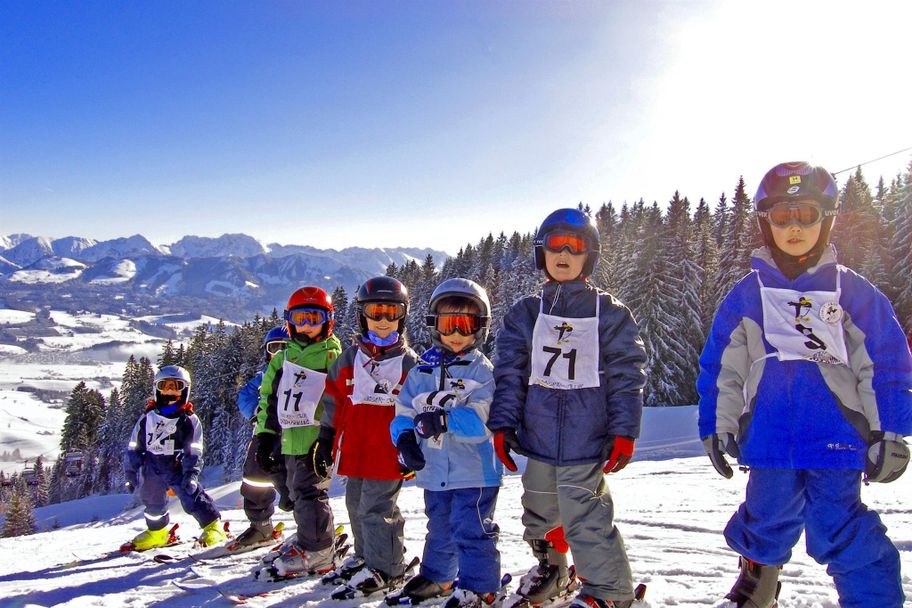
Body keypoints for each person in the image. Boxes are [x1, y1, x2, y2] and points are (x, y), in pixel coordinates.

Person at [697, 161, 912, 608]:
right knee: (764, 518)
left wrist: (889, 430)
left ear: (826, 219)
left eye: (806, 214)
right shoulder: (747, 295)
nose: (794, 227)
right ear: (765, 223)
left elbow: (886, 362)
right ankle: (757, 591)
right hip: (769, 439)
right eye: (781, 216)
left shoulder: (851, 292)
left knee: (840, 527)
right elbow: (724, 368)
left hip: (835, 439)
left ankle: (874, 600)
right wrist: (716, 425)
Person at [487, 208, 648, 608]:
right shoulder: (525, 313)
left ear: (588, 256)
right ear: (541, 254)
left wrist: (623, 431)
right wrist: (503, 425)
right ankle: (554, 570)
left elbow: (628, 374)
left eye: (574, 247)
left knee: (587, 518)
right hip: (538, 437)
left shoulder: (608, 313)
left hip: (586, 439)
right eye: (553, 245)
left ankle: (611, 594)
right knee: (539, 510)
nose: (562, 253)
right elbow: (510, 373)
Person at [389, 278, 503, 608]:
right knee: (439, 526)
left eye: (465, 324)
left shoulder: (482, 372)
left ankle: (480, 587)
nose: (455, 333)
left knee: (471, 530)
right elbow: (404, 412)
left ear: (479, 328)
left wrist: (442, 420)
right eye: (447, 323)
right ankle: (439, 576)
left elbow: (482, 421)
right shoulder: (421, 371)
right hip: (435, 470)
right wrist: (405, 438)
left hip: (474, 472)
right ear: (433, 325)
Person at [313, 276, 419, 597]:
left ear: (402, 316)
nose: (384, 320)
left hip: (387, 454)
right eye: (376, 312)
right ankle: (365, 557)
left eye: (392, 312)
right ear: (362, 315)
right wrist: (326, 439)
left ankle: (387, 568)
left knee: (377, 510)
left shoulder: (408, 363)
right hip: (357, 449)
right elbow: (333, 401)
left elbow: (416, 408)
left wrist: (412, 448)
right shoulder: (350, 359)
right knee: (356, 503)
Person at [254, 287, 343, 576]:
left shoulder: (332, 356)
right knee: (294, 491)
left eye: (313, 318)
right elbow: (268, 397)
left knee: (309, 492)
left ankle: (318, 550)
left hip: (317, 441)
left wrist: (331, 439)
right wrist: (265, 435)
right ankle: (309, 537)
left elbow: (339, 399)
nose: (305, 325)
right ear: (289, 321)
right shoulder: (283, 358)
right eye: (299, 318)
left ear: (327, 320)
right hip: (289, 439)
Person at [124, 365, 228, 550]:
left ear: (185, 389)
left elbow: (193, 449)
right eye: (165, 386)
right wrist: (131, 471)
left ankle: (213, 526)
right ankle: (157, 532)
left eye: (176, 386)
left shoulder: (188, 419)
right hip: (152, 466)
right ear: (157, 389)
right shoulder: (147, 417)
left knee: (191, 496)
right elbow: (134, 446)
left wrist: (190, 473)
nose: (170, 391)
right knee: (151, 498)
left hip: (177, 466)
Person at [230, 325, 292, 552]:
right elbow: (244, 396)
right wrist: (256, 411)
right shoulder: (264, 376)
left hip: (293, 433)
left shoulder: (300, 372)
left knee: (296, 479)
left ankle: (314, 525)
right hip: (265, 433)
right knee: (254, 477)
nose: (279, 354)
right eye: (274, 348)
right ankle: (261, 524)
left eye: (285, 348)